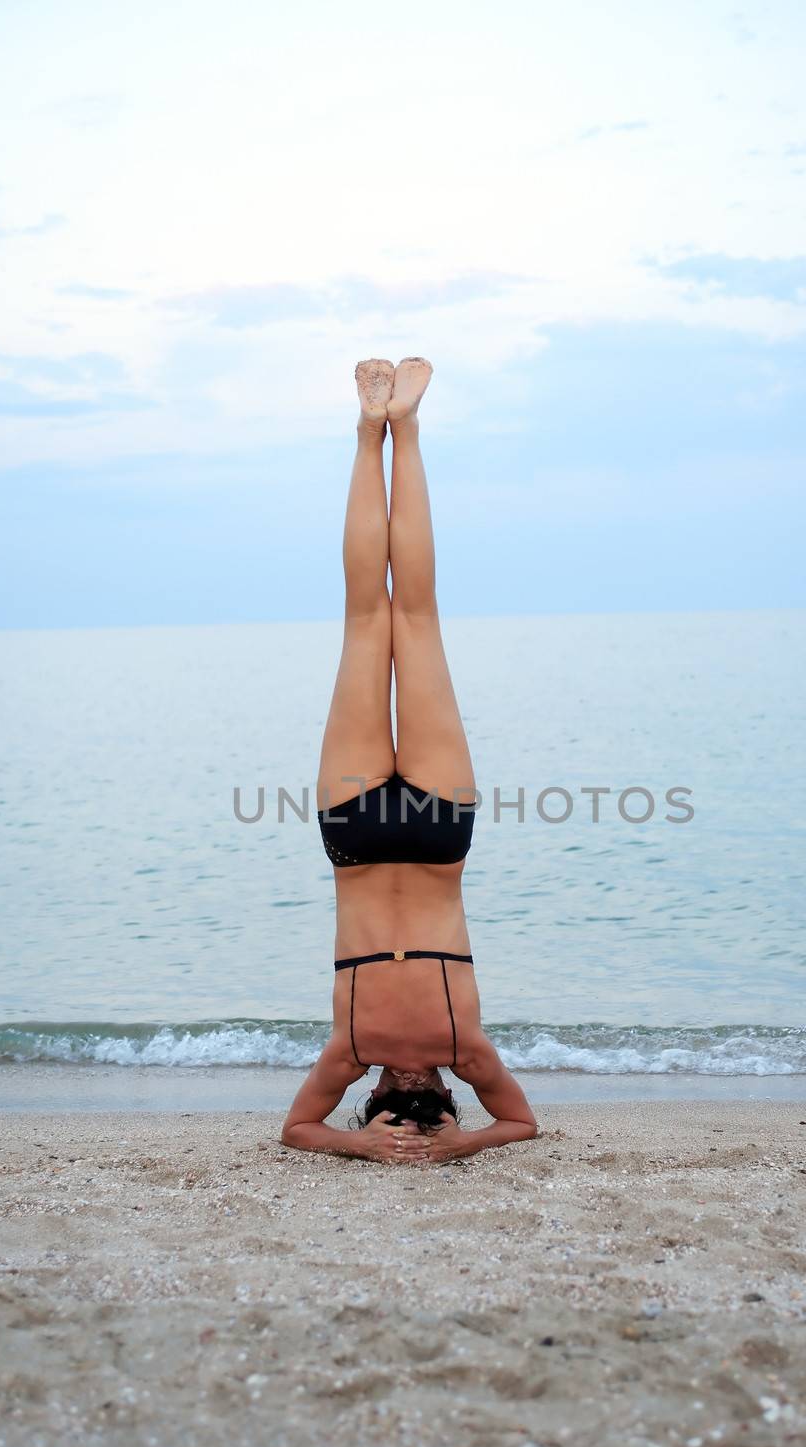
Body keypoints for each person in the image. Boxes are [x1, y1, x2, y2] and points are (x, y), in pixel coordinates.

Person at [281, 358, 537, 1165]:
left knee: (399, 619)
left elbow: (297, 1132)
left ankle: (393, 430)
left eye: (392, 1110)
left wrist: (444, 1144)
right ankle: (383, 431)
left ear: (377, 1099)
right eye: (419, 1109)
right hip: (375, 838)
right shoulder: (360, 1050)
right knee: (385, 618)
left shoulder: (449, 1053)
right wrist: (446, 1147)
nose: (405, 1093)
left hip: (411, 837)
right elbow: (520, 1125)